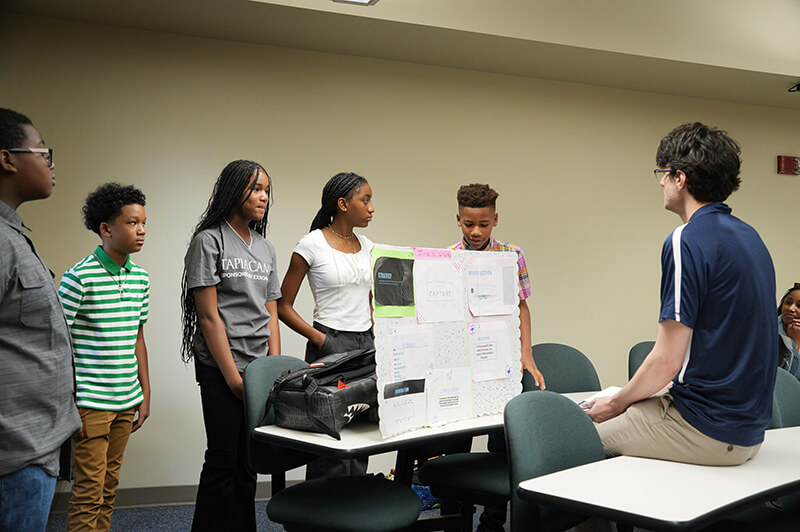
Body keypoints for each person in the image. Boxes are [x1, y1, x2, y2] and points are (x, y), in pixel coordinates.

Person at [587, 122, 776, 466]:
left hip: (704, 431)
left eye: (664, 173)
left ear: (680, 177)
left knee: (572, 439)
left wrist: (616, 403)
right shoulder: (752, 239)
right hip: (750, 433)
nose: (660, 182)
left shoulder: (685, 239)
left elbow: (667, 360)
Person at [180, 160, 281, 532]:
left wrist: (273, 370)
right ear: (232, 190)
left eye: (267, 190)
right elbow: (208, 317)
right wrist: (234, 379)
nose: (263, 197)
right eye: (256, 188)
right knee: (222, 460)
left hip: (257, 370)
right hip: (220, 367)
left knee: (248, 463)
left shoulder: (267, 248)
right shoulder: (209, 241)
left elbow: (271, 315)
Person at [0, 108, 82, 532]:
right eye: (43, 152)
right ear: (7, 159)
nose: (51, 164)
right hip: (15, 451)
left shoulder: (13, 235)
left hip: (36, 445)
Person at [450, 183, 544, 532]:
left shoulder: (511, 254)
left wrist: (526, 353)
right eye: (469, 224)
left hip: (501, 359)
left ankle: (492, 520)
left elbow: (521, 306)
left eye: (484, 225)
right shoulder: (448, 258)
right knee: (457, 439)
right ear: (458, 219)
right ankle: (454, 513)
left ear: (495, 220)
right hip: (464, 359)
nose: (476, 232)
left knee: (501, 438)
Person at [58, 183, 151, 532]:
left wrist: (145, 392)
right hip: (90, 404)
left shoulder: (140, 278)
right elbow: (58, 344)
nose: (140, 230)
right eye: (131, 223)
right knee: (88, 493)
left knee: (109, 489)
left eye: (143, 223)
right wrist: (68, 403)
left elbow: (137, 338)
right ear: (106, 229)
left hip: (127, 400)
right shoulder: (79, 278)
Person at [278, 171, 375, 479]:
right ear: (343, 204)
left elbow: (372, 301)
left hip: (366, 344)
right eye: (366, 200)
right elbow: (283, 306)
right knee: (327, 428)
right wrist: (321, 339)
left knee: (362, 428)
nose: (372, 208)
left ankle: (356, 507)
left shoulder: (369, 247)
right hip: (331, 345)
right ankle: (321, 511)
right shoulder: (311, 244)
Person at [777, 283, 800, 378]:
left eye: (799, 306)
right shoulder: (767, 330)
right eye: (788, 303)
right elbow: (783, 381)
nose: (791, 309)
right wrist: (795, 344)